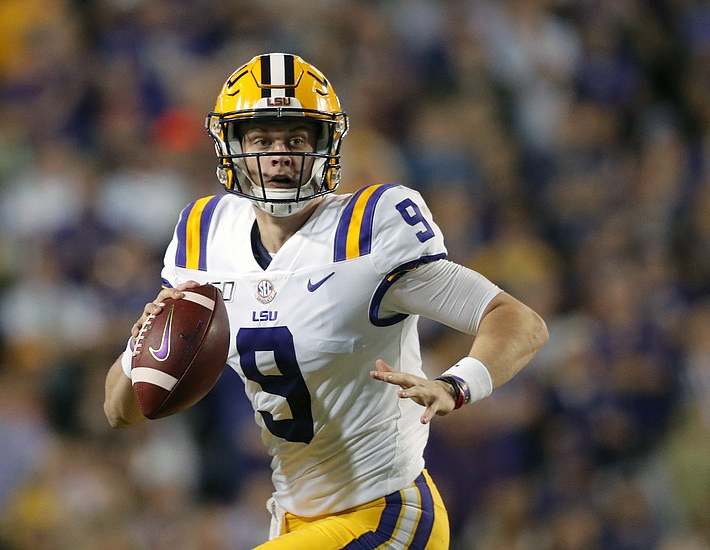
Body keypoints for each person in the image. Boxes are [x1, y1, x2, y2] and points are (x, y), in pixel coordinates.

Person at [104, 53, 549, 549]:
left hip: (386, 513)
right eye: (262, 139)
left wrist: (457, 385)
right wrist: (144, 344)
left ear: (325, 144)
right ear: (231, 147)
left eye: (296, 139)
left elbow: (518, 320)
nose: (280, 154)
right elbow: (119, 411)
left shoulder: (370, 230)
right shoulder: (205, 237)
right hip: (296, 520)